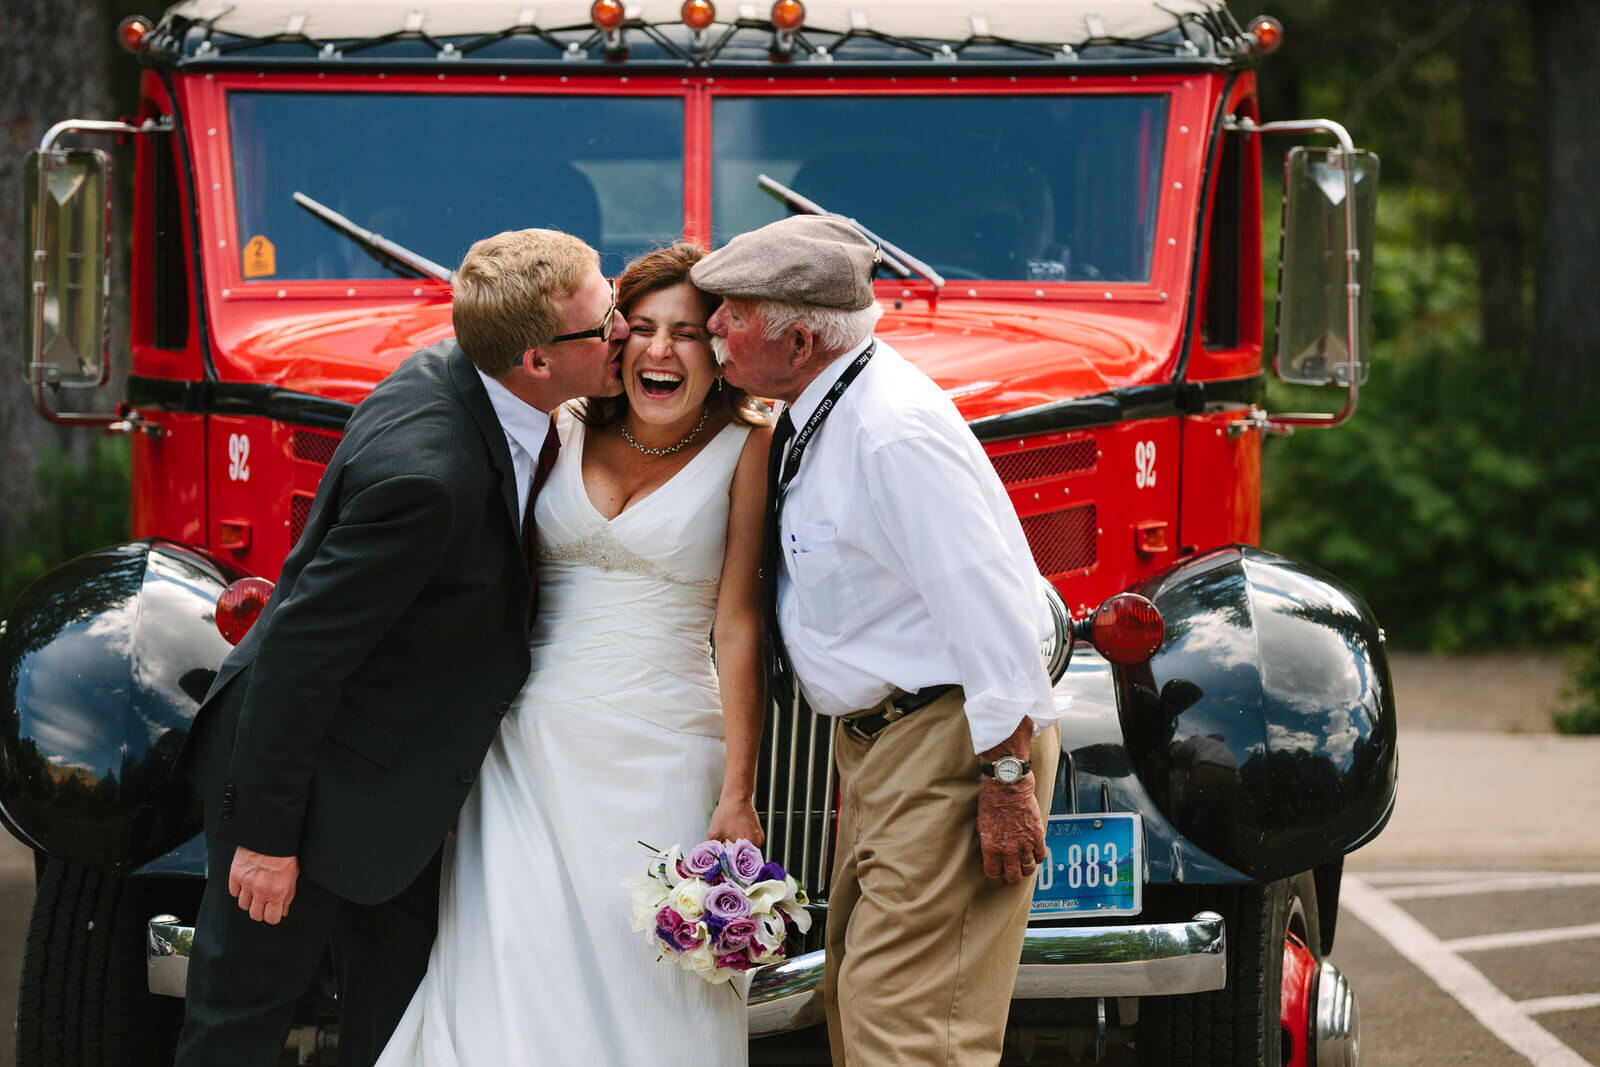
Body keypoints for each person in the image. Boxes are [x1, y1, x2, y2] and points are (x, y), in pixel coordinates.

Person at [174, 228, 628, 1067]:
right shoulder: (430, 480)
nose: (624, 330)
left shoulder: (471, 373)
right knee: (236, 1027)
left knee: (400, 1032)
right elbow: (300, 655)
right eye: (606, 321)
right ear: (535, 360)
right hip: (302, 792)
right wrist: (270, 842)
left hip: (396, 800)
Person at [375, 243, 772, 1066]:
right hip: (526, 746)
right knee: (512, 973)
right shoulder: (559, 424)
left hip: (667, 750)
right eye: (645, 328)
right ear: (616, 339)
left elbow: (737, 624)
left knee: (654, 990)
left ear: (720, 350)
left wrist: (738, 791)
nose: (661, 350)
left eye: (689, 333)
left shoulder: (748, 447)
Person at [692, 214, 1064, 1066]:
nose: (713, 325)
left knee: (909, 1028)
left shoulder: (889, 430)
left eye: (733, 311)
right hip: (891, 746)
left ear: (796, 338)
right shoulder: (832, 404)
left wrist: (1005, 777)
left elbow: (996, 613)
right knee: (860, 1003)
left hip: (950, 742)